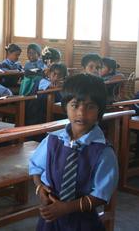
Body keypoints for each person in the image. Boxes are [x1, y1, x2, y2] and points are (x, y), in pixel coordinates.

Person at [29, 73, 118, 230]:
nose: (81, 113)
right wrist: (39, 188)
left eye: (90, 107)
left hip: (82, 222)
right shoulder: (52, 141)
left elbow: (101, 195)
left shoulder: (103, 152)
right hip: (50, 218)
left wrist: (66, 208)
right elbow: (36, 168)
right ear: (65, 106)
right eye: (75, 105)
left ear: (100, 110)